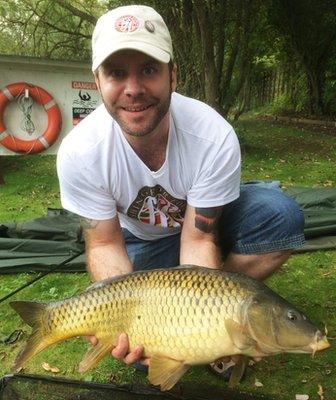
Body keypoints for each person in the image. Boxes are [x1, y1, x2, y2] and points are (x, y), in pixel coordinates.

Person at [57, 5, 305, 379]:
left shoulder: (212, 135)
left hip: (200, 230)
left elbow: (199, 236)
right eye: (116, 73)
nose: (134, 88)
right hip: (140, 243)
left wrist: (207, 320)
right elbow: (105, 245)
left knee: (280, 216)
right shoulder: (80, 152)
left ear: (173, 75)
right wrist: (124, 318)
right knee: (140, 337)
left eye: (149, 70)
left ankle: (233, 327)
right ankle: (187, 328)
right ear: (97, 81)